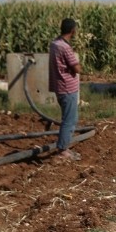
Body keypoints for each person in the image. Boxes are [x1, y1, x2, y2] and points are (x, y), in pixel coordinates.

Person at [48, 18, 82, 161]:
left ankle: (64, 147)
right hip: (68, 88)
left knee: (70, 118)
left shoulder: (54, 44)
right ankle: (62, 150)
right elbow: (76, 68)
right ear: (72, 31)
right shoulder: (65, 47)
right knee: (69, 120)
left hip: (59, 87)